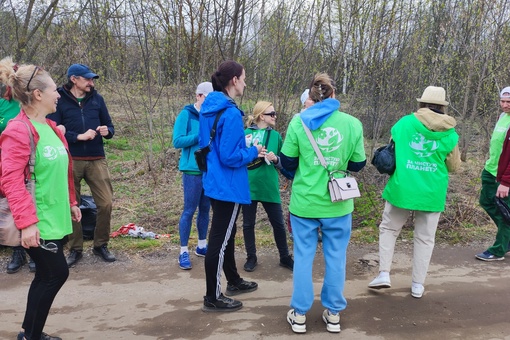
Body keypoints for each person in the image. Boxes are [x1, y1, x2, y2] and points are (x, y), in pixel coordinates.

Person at [0, 63, 81, 340]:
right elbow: (10, 181)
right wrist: (27, 224)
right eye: (53, 89)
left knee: (45, 276)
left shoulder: (50, 128)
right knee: (55, 274)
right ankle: (31, 336)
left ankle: (29, 332)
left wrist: (71, 201)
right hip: (36, 220)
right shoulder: (17, 131)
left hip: (54, 215)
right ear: (37, 95)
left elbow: (63, 169)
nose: (58, 94)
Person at [281, 73, 366, 333]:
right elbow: (358, 164)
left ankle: (299, 314)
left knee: (304, 257)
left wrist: (308, 171)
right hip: (338, 204)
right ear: (333, 95)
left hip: (305, 203)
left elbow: (287, 163)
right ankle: (333, 313)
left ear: (311, 96)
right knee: (336, 258)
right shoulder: (352, 124)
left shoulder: (298, 123)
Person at [368, 86, 460, 299]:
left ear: (422, 103)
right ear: (442, 107)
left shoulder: (404, 123)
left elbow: (392, 150)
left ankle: (383, 273)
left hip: (403, 187)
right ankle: (417, 285)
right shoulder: (450, 132)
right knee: (425, 239)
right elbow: (454, 167)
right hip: (432, 191)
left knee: (389, 229)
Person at [199, 60, 265, 312]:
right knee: (219, 240)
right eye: (244, 78)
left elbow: (209, 146)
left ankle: (233, 281)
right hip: (228, 184)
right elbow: (229, 156)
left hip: (214, 181)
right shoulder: (230, 113)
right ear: (234, 80)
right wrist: (252, 151)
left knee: (227, 234)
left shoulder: (209, 107)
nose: (246, 83)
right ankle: (212, 297)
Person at [48, 63, 115, 267]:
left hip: (96, 159)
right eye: (87, 79)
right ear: (74, 79)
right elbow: (53, 130)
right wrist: (77, 136)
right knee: (72, 205)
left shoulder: (97, 99)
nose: (91, 82)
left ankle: (100, 245)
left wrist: (107, 131)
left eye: (92, 79)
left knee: (106, 203)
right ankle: (75, 248)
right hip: (70, 158)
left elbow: (110, 126)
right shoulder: (58, 99)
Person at [242, 101, 293, 272]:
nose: (275, 116)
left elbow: (284, 162)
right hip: (249, 185)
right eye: (272, 114)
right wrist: (253, 155)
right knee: (248, 224)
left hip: (269, 186)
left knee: (278, 223)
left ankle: (284, 257)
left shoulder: (276, 136)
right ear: (261, 116)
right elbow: (238, 159)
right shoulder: (246, 134)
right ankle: (251, 257)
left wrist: (276, 159)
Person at [0, 57, 36, 274]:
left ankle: (33, 249)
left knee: (28, 201)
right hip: (5, 162)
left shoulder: (28, 104)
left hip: (28, 164)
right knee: (11, 205)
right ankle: (17, 250)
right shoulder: (2, 103)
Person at [173, 81, 213, 270]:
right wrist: (200, 136)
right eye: (208, 97)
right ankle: (183, 251)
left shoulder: (213, 115)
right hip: (191, 170)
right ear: (199, 96)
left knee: (205, 209)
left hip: (209, 170)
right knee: (189, 210)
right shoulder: (186, 115)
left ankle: (201, 246)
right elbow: (177, 141)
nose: (210, 101)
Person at [475, 87, 510, 261]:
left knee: (505, 211)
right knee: (486, 201)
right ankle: (508, 238)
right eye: (502, 101)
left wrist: (506, 181)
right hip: (491, 170)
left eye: (508, 102)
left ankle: (498, 250)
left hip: (505, 176)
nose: (504, 105)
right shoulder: (503, 117)